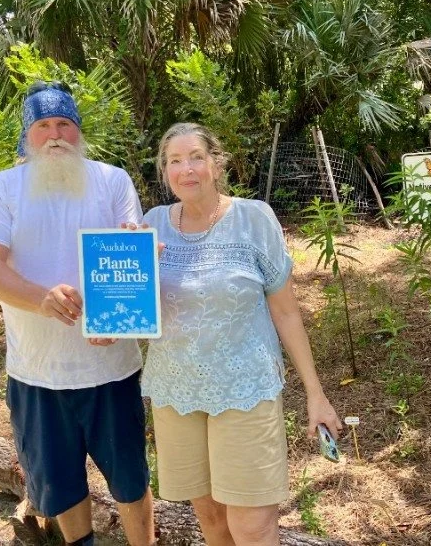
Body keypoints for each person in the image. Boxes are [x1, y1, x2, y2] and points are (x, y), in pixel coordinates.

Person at [0, 81, 154, 546]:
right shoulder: (2, 188)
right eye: (43, 125)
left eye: (65, 124)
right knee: (61, 485)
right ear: (27, 135)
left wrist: (120, 319)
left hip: (110, 367)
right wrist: (41, 298)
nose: (55, 134)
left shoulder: (112, 180)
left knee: (131, 481)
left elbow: (130, 257)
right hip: (37, 372)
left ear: (79, 132)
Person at [141, 122, 342, 546]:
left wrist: (315, 393)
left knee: (252, 527)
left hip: (244, 388)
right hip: (177, 392)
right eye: (174, 161)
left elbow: (286, 312)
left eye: (196, 156)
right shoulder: (151, 225)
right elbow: (142, 314)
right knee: (212, 521)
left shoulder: (254, 218)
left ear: (216, 164)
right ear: (165, 172)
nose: (186, 169)